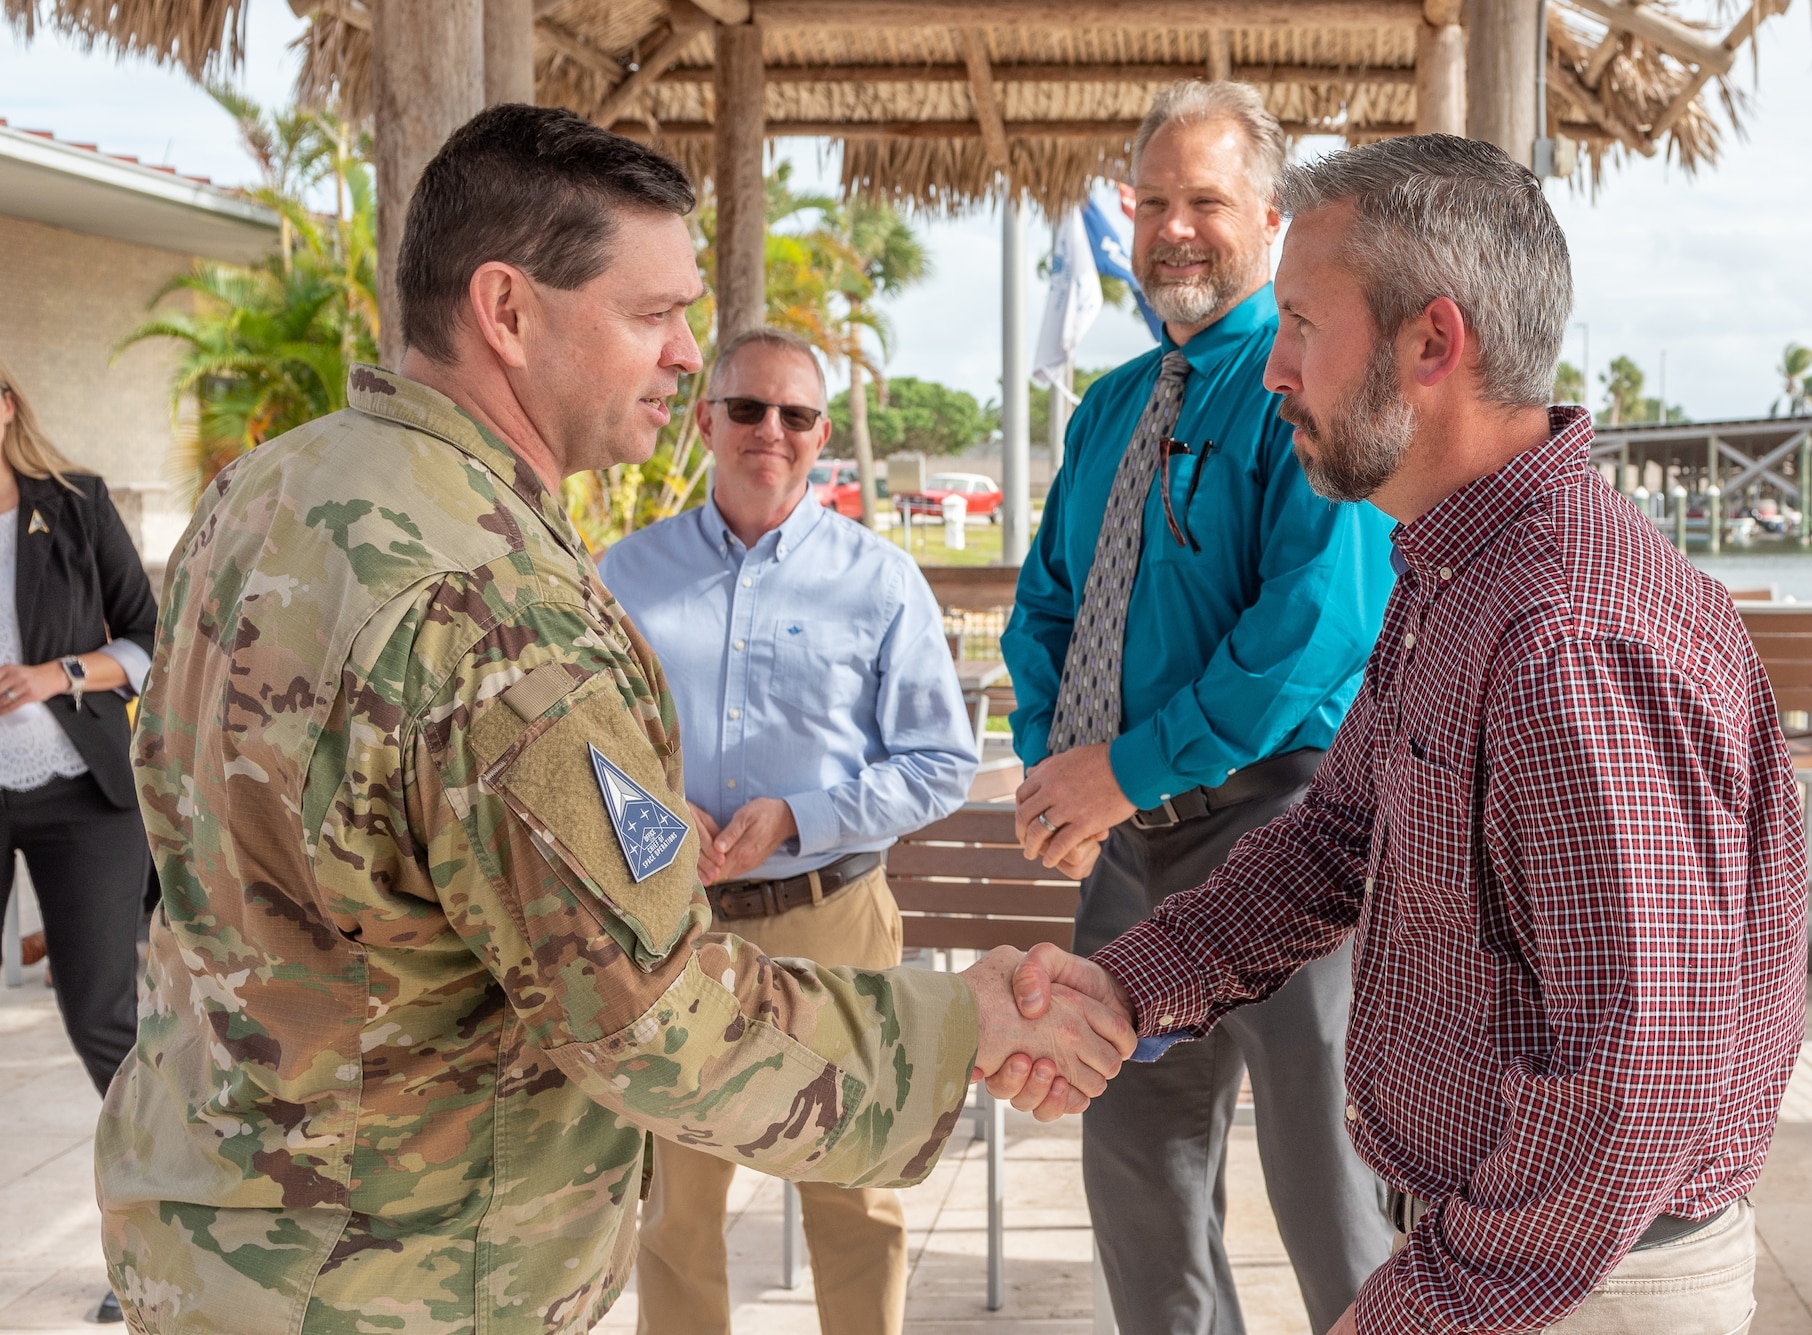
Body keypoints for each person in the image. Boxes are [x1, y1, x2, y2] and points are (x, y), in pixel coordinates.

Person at [95, 105, 1130, 1335]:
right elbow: (654, 1027)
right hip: (400, 1277)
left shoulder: (267, 490)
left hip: (215, 1233)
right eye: (653, 316)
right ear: (508, 310)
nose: (690, 359)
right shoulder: (494, 612)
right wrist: (968, 1022)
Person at [1007, 134, 1809, 1335]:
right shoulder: (1454, 573)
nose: (1271, 369)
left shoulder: (1567, 636)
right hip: (1512, 1257)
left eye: (1299, 325)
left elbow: (1635, 1081)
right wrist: (1128, 987)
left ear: (1430, 343)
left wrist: (1419, 1311)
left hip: (1580, 1281)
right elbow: (1333, 838)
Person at [1002, 81, 1399, 1335]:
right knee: (1136, 1177)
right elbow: (1044, 615)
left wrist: (1118, 767)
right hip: (1123, 850)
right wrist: (1058, 774)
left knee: (1328, 1188)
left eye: (1206, 203)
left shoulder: (1310, 393)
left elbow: (1309, 639)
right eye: (1155, 202)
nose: (1176, 228)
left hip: (1285, 833)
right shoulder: (1109, 408)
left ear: (1267, 218)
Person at [600, 326, 978, 1335]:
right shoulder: (619, 577)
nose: (771, 431)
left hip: (836, 923)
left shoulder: (880, 579)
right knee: (676, 1208)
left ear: (820, 437)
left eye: (796, 415)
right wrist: (652, 812)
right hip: (674, 930)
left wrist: (799, 820)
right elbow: (588, 753)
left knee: (853, 1187)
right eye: (747, 408)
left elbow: (942, 763)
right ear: (704, 419)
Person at [0, 364, 158, 1325]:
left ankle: (154, 1249)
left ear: (8, 403)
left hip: (84, 793)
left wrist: (54, 674)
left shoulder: (76, 503)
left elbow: (147, 637)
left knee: (103, 1015)